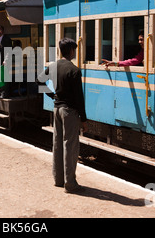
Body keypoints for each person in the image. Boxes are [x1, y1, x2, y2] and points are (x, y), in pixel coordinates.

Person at [38, 38, 88, 194]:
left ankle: (58, 179)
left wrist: (52, 96)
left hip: (57, 110)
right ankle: (70, 183)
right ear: (72, 50)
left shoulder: (53, 66)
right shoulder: (74, 70)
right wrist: (84, 119)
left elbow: (39, 80)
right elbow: (79, 98)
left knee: (58, 144)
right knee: (70, 146)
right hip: (70, 112)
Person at [0, 25, 12, 98]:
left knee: (4, 77)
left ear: (2, 31)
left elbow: (9, 51)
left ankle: (5, 93)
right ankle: (0, 92)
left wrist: (5, 60)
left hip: (3, 61)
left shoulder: (6, 39)